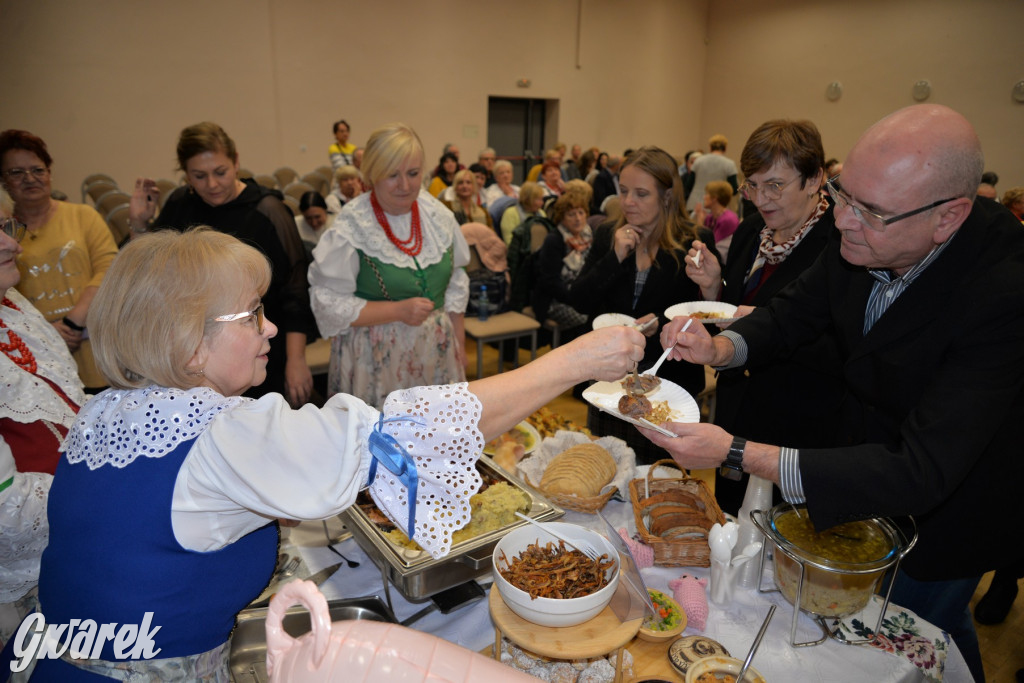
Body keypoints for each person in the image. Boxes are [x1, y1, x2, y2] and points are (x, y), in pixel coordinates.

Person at [27, 227, 644, 680]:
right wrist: (575, 361)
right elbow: (402, 439)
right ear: (191, 345)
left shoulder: (106, 409)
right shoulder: (218, 433)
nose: (271, 328)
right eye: (253, 315)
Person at [646, 105, 1021, 683]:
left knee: (922, 635)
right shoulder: (863, 231)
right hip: (855, 471)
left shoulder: (1003, 294)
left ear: (948, 218)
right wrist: (722, 349)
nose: (842, 221)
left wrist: (738, 452)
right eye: (844, 196)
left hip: (949, 509)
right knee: (857, 631)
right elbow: (795, 312)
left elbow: (922, 467)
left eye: (868, 212)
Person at [685, 119, 845, 513]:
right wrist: (712, 288)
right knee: (730, 518)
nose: (760, 198)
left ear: (814, 179)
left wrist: (766, 325)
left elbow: (844, 345)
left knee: (781, 534)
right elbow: (733, 310)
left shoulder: (840, 242)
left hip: (797, 419)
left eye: (775, 185)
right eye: (751, 185)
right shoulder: (751, 230)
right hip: (738, 407)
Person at [128, 122, 315, 407]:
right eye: (199, 176)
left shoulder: (269, 211)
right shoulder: (181, 204)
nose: (212, 184)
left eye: (220, 172)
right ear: (185, 174)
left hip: (260, 347)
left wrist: (297, 360)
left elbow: (295, 294)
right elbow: (150, 275)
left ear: (236, 161)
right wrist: (140, 224)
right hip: (196, 354)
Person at [567, 147, 719, 464]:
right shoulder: (609, 232)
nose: (628, 202)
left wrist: (709, 287)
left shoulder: (693, 240)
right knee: (603, 474)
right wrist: (615, 258)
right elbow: (579, 299)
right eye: (623, 191)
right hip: (610, 383)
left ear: (666, 196)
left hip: (668, 388)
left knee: (659, 485)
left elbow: (710, 321)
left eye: (641, 194)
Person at [309, 123, 469, 409]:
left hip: (436, 354)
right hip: (376, 359)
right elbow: (328, 300)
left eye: (413, 173)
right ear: (371, 175)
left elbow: (456, 282)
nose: (405, 186)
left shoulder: (437, 216)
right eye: (392, 175)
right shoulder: (353, 225)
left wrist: (460, 347)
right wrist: (397, 310)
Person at [0, 193, 86, 650]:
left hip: (70, 548)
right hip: (20, 584)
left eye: (7, 226)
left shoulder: (12, 304)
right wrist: (106, 491)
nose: (13, 245)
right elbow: (4, 509)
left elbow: (66, 405)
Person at [0, 129, 118, 391]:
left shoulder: (82, 215)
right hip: (33, 352)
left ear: (49, 173)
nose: (30, 178)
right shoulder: (6, 235)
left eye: (38, 170)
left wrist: (72, 323)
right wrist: (45, 333)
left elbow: (108, 269)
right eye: (16, 173)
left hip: (93, 349)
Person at [530, 193, 593, 344]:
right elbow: (550, 281)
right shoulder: (555, 239)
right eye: (571, 214)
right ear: (562, 217)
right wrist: (577, 299)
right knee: (588, 318)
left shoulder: (588, 235)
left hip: (580, 295)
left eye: (580, 212)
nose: (577, 218)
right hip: (555, 300)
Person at [686, 134, 738, 215]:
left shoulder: (698, 161)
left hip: (695, 205)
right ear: (725, 148)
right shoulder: (729, 164)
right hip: (716, 208)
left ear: (710, 147)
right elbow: (734, 189)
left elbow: (689, 185)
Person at [694, 180, 739, 246]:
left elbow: (711, 246)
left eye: (706, 194)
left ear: (714, 198)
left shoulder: (728, 220)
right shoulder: (710, 218)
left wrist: (700, 223)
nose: (704, 197)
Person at [499, 181, 546, 245]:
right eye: (538, 199)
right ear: (527, 199)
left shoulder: (542, 213)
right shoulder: (510, 213)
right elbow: (510, 243)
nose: (542, 203)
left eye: (542, 199)